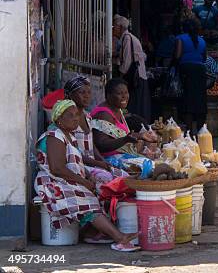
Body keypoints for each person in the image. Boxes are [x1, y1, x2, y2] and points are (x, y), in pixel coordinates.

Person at [34, 100, 139, 251]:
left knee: (96, 191)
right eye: (70, 115)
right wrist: (82, 181)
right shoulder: (54, 136)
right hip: (52, 182)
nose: (76, 118)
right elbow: (57, 168)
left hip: (65, 179)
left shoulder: (67, 135)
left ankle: (109, 235)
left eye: (76, 114)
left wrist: (96, 166)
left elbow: (77, 158)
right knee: (86, 200)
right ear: (59, 120)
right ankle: (119, 237)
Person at [63, 76, 128, 187]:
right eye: (82, 92)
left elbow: (91, 144)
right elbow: (73, 152)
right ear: (70, 95)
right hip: (77, 164)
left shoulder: (87, 117)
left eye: (88, 92)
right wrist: (99, 163)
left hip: (92, 163)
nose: (87, 96)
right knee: (108, 179)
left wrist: (103, 162)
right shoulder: (67, 120)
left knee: (125, 176)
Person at [91, 78, 157, 172]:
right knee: (150, 167)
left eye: (126, 92)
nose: (124, 96)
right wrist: (125, 139)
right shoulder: (104, 114)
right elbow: (101, 144)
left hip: (121, 155)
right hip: (109, 159)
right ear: (108, 95)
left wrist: (140, 136)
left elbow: (124, 137)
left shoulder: (117, 109)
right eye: (119, 93)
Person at [113, 14, 151, 122]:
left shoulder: (127, 38)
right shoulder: (129, 38)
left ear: (120, 27)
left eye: (114, 26)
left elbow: (127, 61)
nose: (113, 29)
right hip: (139, 76)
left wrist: (120, 77)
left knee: (135, 105)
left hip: (135, 77)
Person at [175, 19, 208, 133]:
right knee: (199, 99)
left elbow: (178, 55)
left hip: (186, 70)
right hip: (200, 71)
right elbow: (204, 57)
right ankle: (200, 129)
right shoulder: (201, 41)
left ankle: (188, 130)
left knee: (188, 100)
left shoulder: (180, 38)